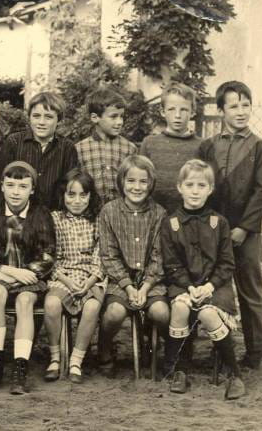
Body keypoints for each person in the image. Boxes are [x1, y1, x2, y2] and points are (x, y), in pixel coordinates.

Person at [198, 81, 262, 370]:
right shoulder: (208, 147)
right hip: (214, 232)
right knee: (217, 289)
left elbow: (261, 192)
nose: (241, 111)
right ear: (221, 111)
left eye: (245, 105)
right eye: (233, 106)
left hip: (246, 233)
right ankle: (220, 348)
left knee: (249, 290)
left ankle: (255, 352)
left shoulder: (260, 148)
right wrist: (209, 227)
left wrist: (244, 228)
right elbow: (201, 186)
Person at [161, 159, 245, 399]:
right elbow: (172, 264)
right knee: (180, 308)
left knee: (207, 314)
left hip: (215, 287)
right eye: (190, 185)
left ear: (210, 189)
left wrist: (209, 286)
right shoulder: (171, 223)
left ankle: (235, 374)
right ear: (180, 187)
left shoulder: (219, 223)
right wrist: (189, 286)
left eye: (201, 185)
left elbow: (227, 263)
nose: (195, 191)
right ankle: (181, 370)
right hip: (183, 285)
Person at [0, 161, 55, 393]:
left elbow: (48, 257)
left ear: (32, 189)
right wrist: (9, 271)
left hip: (31, 278)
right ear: (1, 187)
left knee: (25, 301)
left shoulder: (41, 216)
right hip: (2, 275)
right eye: (10, 185)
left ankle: (20, 367)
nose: (15, 192)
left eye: (22, 186)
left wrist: (23, 276)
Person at [97, 155, 169, 377]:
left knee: (161, 313)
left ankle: (155, 343)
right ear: (121, 182)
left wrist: (145, 287)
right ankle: (104, 349)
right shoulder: (109, 212)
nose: (136, 187)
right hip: (121, 281)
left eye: (143, 182)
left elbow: (159, 256)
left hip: (151, 281)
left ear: (151, 184)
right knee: (114, 313)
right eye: (131, 181)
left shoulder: (159, 213)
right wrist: (128, 287)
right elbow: (109, 255)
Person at [43, 169, 104, 384]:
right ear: (63, 195)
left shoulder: (98, 220)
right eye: (71, 195)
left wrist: (90, 280)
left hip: (90, 277)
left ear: (90, 196)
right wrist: (66, 280)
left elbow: (101, 254)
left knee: (92, 306)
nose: (77, 201)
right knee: (51, 303)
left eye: (83, 195)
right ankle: (55, 358)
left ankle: (76, 360)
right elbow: (50, 257)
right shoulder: (55, 219)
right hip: (63, 276)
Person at [0, 92, 78, 208]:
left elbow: (69, 187)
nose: (41, 122)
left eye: (48, 117)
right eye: (36, 116)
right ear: (29, 117)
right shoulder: (14, 142)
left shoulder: (67, 147)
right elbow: (2, 182)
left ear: (58, 120)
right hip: (19, 212)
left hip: (53, 212)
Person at [140, 83, 202, 214]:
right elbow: (142, 181)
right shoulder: (149, 143)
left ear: (193, 112)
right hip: (155, 215)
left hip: (189, 215)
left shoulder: (202, 146)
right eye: (171, 109)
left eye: (184, 110)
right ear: (163, 112)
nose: (177, 115)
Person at [76, 88, 137, 206]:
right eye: (113, 117)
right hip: (90, 210)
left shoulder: (129, 148)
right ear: (95, 118)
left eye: (121, 116)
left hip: (120, 211)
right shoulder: (80, 149)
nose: (120, 122)